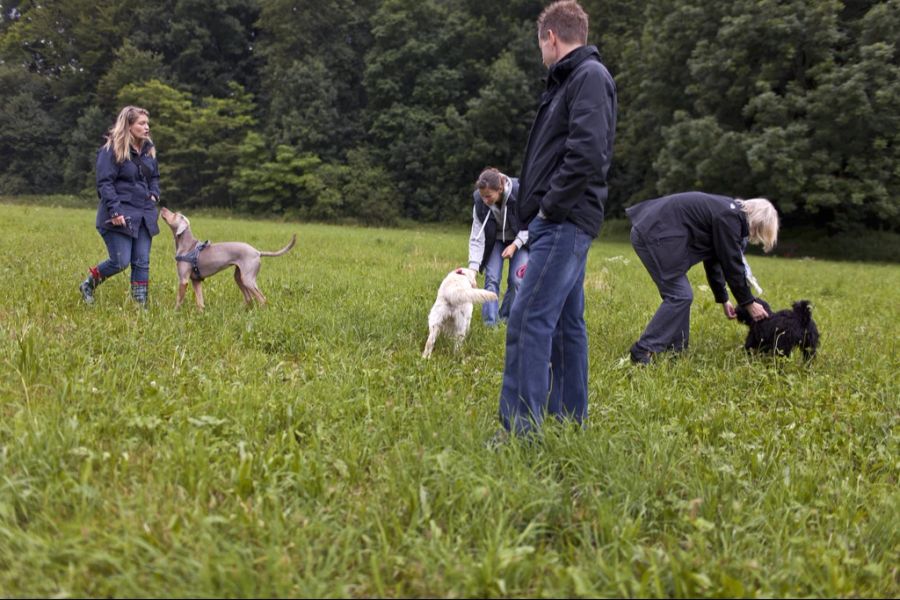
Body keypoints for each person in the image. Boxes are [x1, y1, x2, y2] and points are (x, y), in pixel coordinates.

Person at [497, 0, 617, 437]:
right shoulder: (572, 81)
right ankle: (569, 420)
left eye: (540, 44)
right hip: (565, 219)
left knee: (528, 319)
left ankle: (519, 431)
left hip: (563, 221)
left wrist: (549, 208)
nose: (541, 53)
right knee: (567, 324)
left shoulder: (586, 77)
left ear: (551, 37)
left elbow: (587, 152)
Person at [626, 191, 779, 364]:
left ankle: (676, 350)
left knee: (681, 295)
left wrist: (723, 299)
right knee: (680, 295)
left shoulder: (728, 213)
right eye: (757, 233)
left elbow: (714, 260)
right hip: (653, 235)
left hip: (653, 232)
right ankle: (643, 350)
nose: (752, 238)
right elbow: (732, 265)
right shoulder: (730, 218)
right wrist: (749, 303)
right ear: (757, 224)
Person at [78, 106, 161, 307]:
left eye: (147, 123)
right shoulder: (111, 149)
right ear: (129, 125)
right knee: (120, 262)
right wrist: (115, 210)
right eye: (141, 123)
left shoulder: (148, 149)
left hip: (144, 214)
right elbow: (105, 183)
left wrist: (154, 194)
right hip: (118, 214)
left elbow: (154, 176)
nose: (147, 127)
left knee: (142, 262)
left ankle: (140, 306)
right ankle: (88, 284)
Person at [467, 168, 529, 326]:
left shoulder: (520, 192)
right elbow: (476, 237)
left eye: (488, 196)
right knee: (492, 279)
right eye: (482, 196)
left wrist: (515, 245)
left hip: (519, 239)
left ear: (500, 189)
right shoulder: (480, 203)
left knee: (517, 280)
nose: (485, 200)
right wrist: (472, 270)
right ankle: (490, 323)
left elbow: (531, 224)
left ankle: (506, 318)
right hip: (495, 241)